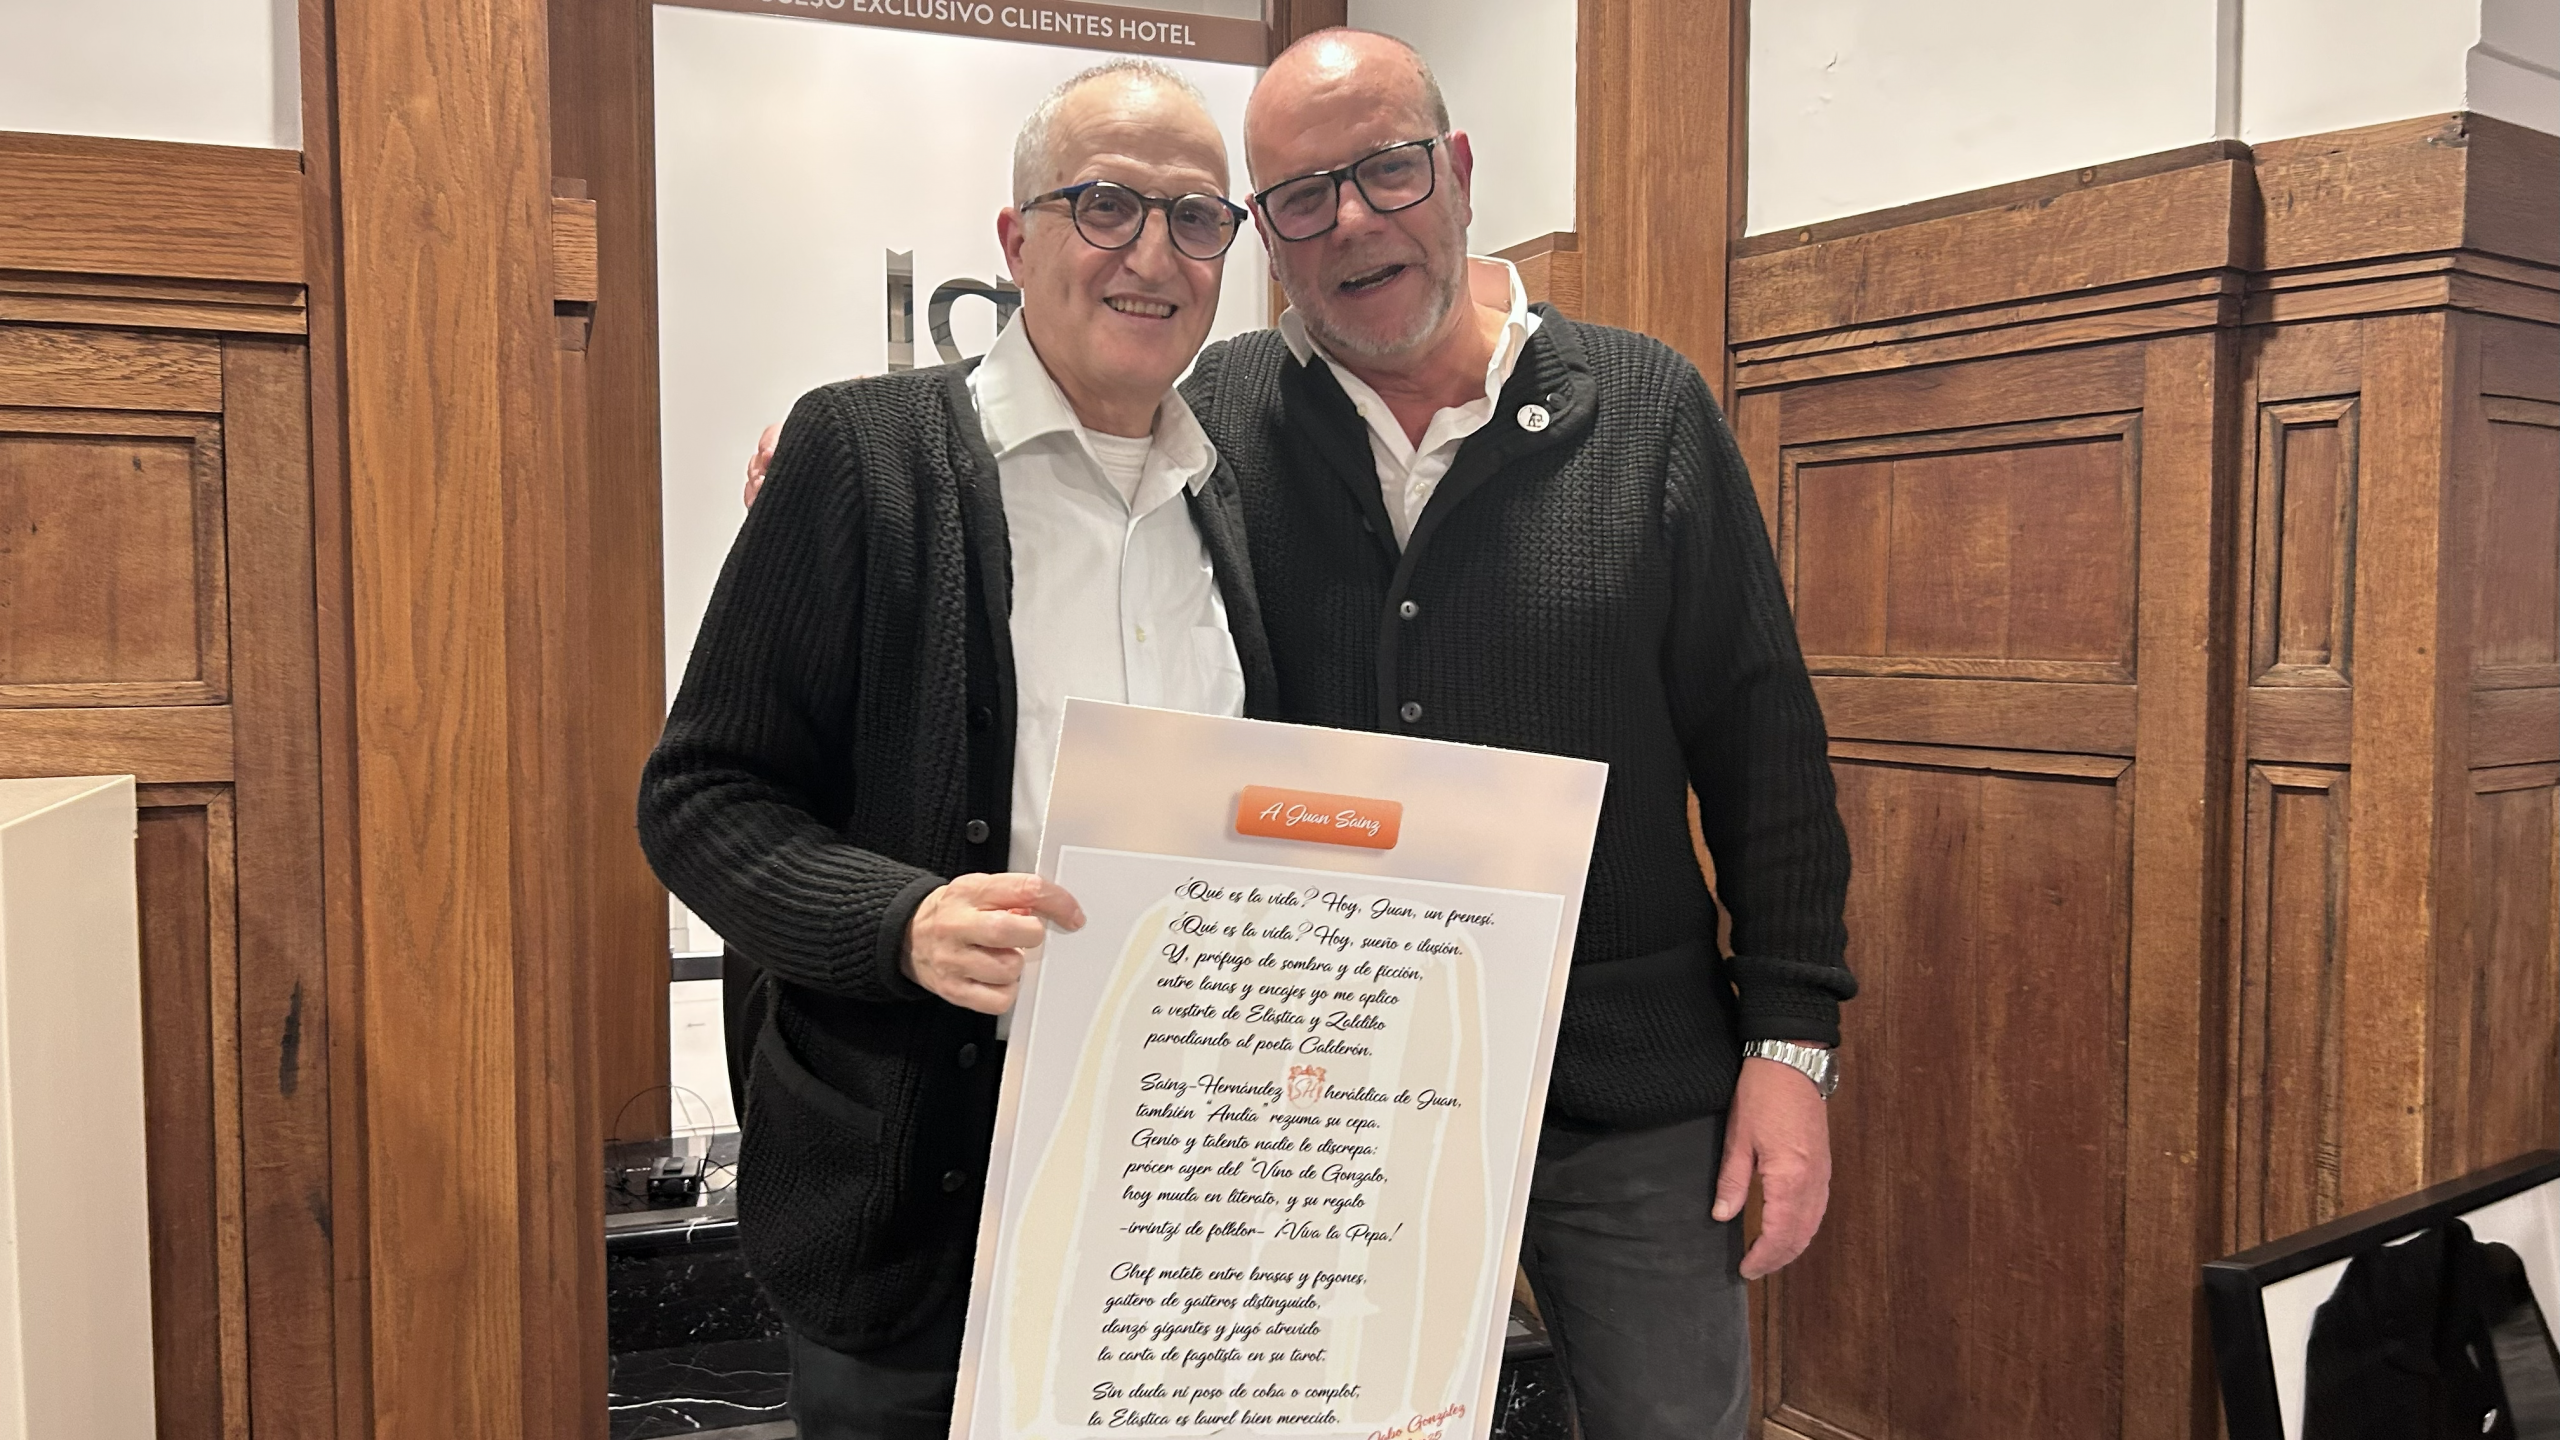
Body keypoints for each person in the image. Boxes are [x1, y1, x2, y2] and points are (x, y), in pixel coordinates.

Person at [1176, 29, 1857, 1440]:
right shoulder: (1213, 423)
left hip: (1628, 1088)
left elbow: (1766, 751)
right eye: (1300, 195)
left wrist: (1791, 1049)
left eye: (1388, 169)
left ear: (1461, 169)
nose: (1351, 219)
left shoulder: (1647, 408)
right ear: (1265, 235)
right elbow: (1039, 457)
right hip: (1325, 1094)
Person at [637, 59, 1275, 1438]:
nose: (1153, 253)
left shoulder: (1238, 494)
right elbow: (702, 796)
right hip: (915, 1202)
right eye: (1105, 205)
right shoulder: (861, 456)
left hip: (1186, 1199)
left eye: (1196, 216)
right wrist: (902, 922)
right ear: (1014, 240)